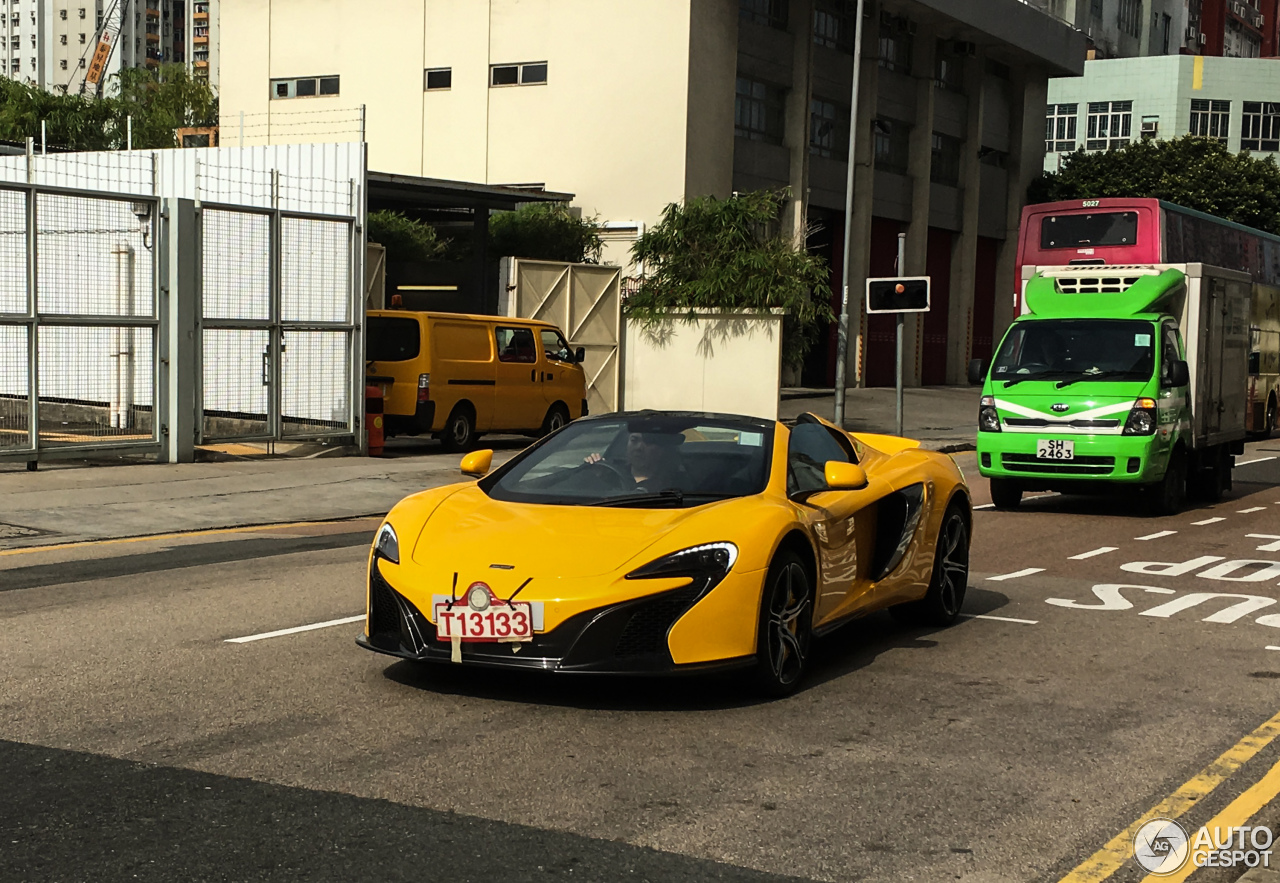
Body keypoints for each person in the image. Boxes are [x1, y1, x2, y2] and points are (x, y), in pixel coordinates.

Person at [584, 430, 686, 490]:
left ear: (661, 449)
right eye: (634, 440)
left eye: (648, 442)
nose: (638, 447)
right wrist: (594, 473)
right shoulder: (609, 474)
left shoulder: (675, 485)